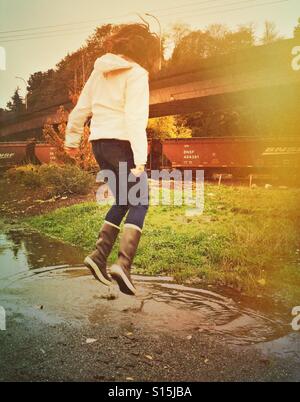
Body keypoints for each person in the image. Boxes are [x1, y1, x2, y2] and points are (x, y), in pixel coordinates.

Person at [64, 23, 161, 296]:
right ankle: (123, 265)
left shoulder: (100, 71)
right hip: (121, 145)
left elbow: (81, 108)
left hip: (99, 144)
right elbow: (134, 118)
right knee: (140, 200)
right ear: (144, 51)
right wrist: (140, 159)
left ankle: (98, 257)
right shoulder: (138, 74)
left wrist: (72, 140)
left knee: (123, 200)